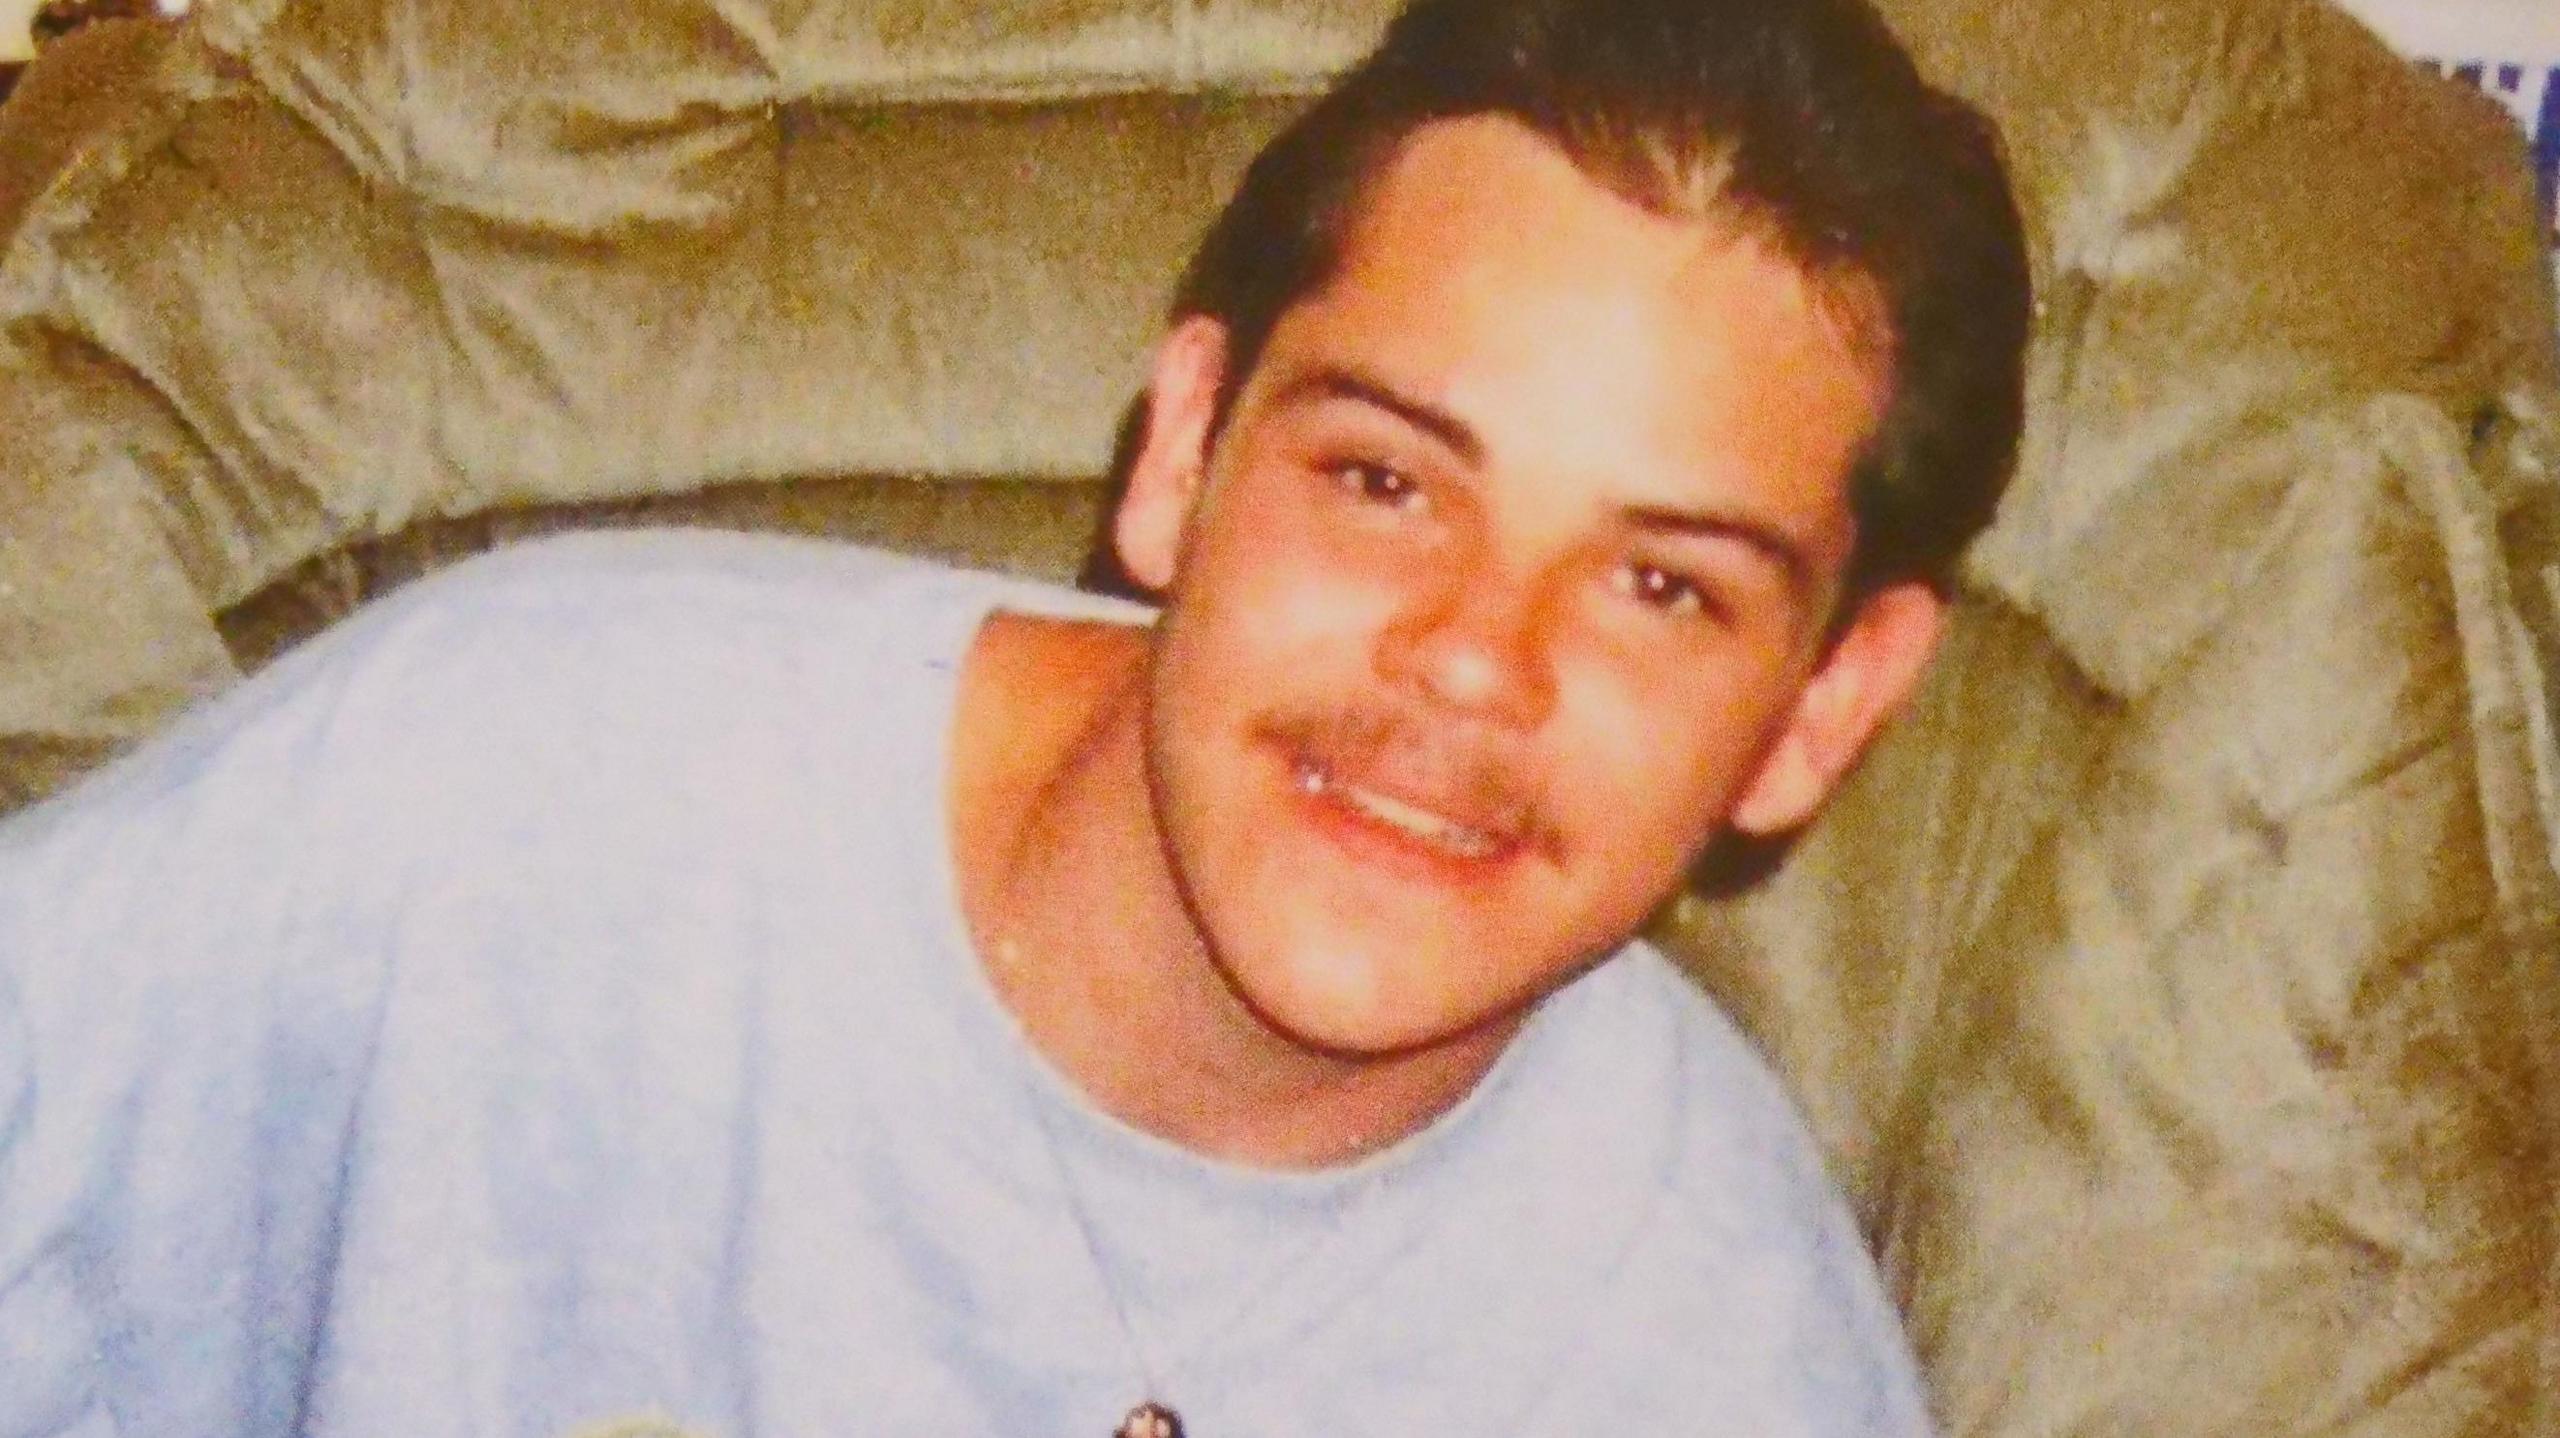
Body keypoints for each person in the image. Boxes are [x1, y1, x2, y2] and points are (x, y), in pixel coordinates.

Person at [0, 0, 2028, 1432]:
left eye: (1659, 584)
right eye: (1382, 478)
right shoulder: (500, 792)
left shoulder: (1720, 1355)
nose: (1469, 657)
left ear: (1816, 711)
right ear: (1179, 458)